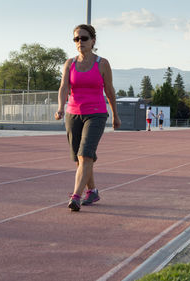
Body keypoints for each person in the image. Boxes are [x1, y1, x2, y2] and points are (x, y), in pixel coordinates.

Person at [55, 24, 121, 212]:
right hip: (73, 114)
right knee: (80, 158)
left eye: (84, 38)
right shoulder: (70, 63)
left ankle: (76, 196)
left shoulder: (102, 63)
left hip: (96, 114)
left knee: (85, 154)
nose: (80, 42)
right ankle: (92, 191)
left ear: (93, 41)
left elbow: (109, 90)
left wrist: (116, 115)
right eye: (76, 39)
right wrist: (61, 107)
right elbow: (63, 87)